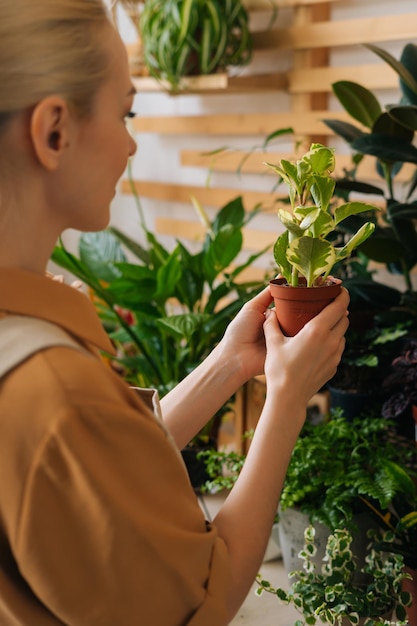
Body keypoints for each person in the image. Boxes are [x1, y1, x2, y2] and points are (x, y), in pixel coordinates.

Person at [0, 1, 349, 624]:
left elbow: (101, 474)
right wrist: (287, 399)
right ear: (54, 131)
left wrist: (228, 365)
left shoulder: (26, 354)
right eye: (124, 112)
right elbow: (201, 600)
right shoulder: (54, 390)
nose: (132, 144)